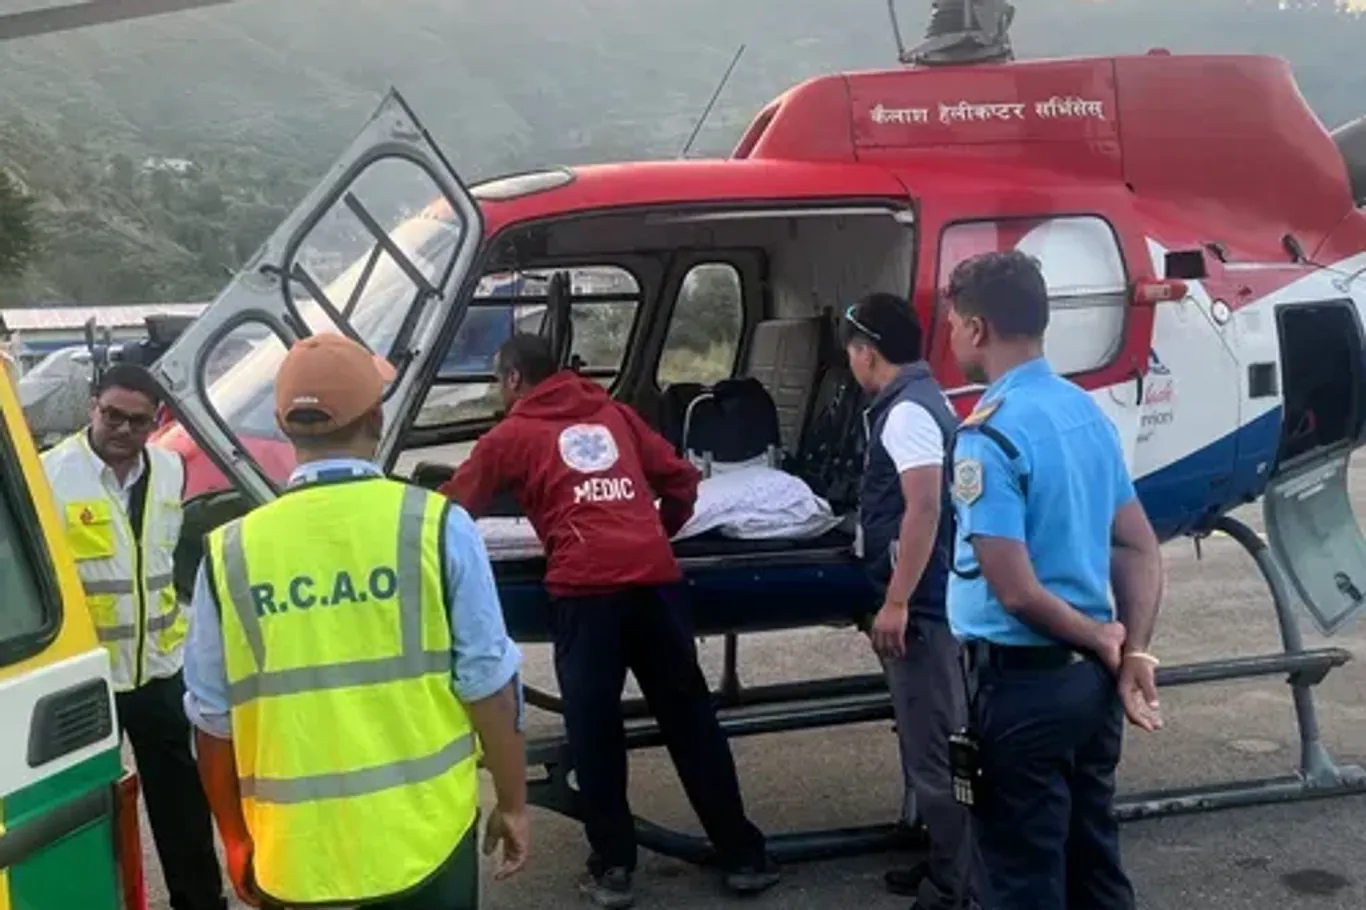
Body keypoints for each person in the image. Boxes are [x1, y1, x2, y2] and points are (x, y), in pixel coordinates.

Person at [180, 333, 529, 910]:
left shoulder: (229, 553)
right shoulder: (437, 526)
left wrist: (236, 840)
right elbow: (490, 686)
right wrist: (513, 804)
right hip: (424, 846)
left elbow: (213, 724)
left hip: (296, 861)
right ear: (377, 417)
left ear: (283, 426)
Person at [438, 333, 780, 909]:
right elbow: (681, 480)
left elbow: (449, 512)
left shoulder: (509, 436)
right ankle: (744, 855)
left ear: (515, 379)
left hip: (586, 592)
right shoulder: (615, 413)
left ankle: (615, 868)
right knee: (691, 722)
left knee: (597, 734)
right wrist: (655, 534)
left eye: (500, 380)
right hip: (655, 582)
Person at [942, 250, 1165, 910]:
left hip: (1021, 686)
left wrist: (1101, 637)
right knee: (1093, 862)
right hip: (1089, 688)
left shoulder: (989, 434)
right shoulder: (1085, 413)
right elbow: (1139, 545)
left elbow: (1014, 590)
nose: (952, 336)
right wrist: (1133, 652)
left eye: (954, 323)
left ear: (977, 329)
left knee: (1018, 877)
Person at [40, 363, 227, 910]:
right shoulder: (51, 475)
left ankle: (200, 900)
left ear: (155, 422)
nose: (121, 429)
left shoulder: (170, 470)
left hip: (159, 670)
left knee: (181, 803)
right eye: (111, 415)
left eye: (137, 421)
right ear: (92, 405)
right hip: (88, 677)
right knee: (85, 810)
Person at [841, 293, 977, 909]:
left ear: (866, 353)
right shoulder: (920, 399)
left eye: (851, 350)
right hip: (928, 600)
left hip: (922, 609)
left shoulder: (905, 414)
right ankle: (944, 864)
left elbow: (925, 505)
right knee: (931, 744)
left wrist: (896, 602)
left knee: (934, 752)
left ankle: (955, 887)